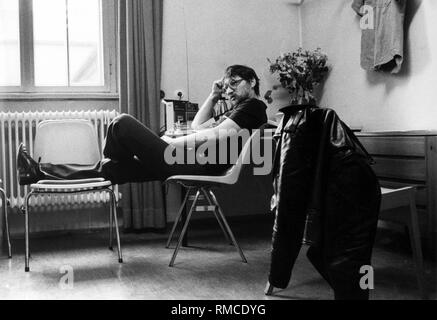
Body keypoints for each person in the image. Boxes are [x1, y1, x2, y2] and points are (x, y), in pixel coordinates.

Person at [17, 65, 267, 185]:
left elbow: (213, 136)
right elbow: (199, 126)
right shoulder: (236, 109)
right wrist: (214, 96)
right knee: (115, 171)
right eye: (226, 86)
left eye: (234, 83)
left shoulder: (254, 108)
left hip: (198, 166)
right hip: (191, 161)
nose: (230, 90)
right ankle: (38, 172)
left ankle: (109, 160)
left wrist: (170, 143)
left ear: (253, 81)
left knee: (122, 123)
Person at [265, 103, 381, 300]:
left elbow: (286, 213)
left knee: (352, 260)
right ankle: (362, 289)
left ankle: (362, 292)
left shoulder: (293, 129)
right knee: (351, 258)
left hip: (355, 195)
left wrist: (277, 275)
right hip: (363, 188)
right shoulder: (313, 124)